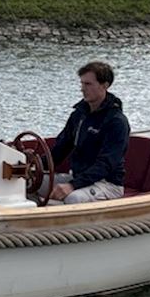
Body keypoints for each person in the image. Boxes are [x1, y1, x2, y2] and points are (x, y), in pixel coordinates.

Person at [48, 61, 128, 204]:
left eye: (88, 84)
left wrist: (72, 185)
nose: (82, 89)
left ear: (105, 85)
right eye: (82, 84)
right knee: (27, 183)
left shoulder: (117, 122)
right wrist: (32, 167)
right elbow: (60, 150)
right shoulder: (79, 115)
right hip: (78, 177)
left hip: (107, 183)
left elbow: (106, 164)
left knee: (74, 198)